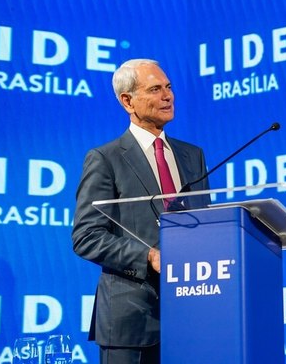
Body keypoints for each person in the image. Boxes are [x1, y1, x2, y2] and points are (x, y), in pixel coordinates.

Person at [72, 59, 210, 364]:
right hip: (131, 318)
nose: (168, 96)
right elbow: (86, 236)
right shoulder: (105, 159)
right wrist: (148, 256)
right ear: (127, 101)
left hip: (193, 317)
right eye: (155, 89)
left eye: (169, 87)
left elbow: (206, 225)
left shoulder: (193, 155)